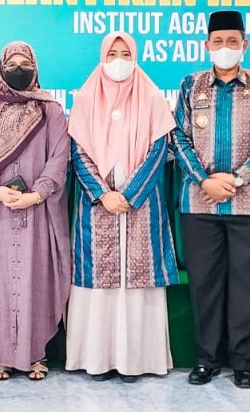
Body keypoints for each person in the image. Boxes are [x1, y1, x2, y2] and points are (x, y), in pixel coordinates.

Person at [171, 10, 250, 389]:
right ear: (207, 45)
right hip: (199, 203)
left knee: (246, 286)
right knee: (204, 285)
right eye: (218, 41)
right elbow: (178, 137)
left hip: (248, 204)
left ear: (244, 44)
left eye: (232, 41)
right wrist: (204, 180)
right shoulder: (191, 85)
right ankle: (206, 359)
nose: (225, 48)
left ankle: (242, 362)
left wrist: (236, 179)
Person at [65, 32, 178, 382]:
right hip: (97, 203)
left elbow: (159, 150)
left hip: (140, 203)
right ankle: (96, 359)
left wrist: (129, 194)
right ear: (102, 56)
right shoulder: (85, 98)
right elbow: (78, 151)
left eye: (125, 54)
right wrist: (103, 194)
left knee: (138, 282)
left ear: (135, 57)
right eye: (112, 53)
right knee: (98, 281)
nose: (118, 60)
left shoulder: (152, 97)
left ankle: (136, 361)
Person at [0, 42, 71, 381]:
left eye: (25, 63)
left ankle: (36, 355)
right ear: (1, 68)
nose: (19, 68)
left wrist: (36, 195)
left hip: (38, 209)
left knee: (36, 279)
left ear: (35, 68)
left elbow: (59, 157)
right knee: (0, 283)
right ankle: (2, 356)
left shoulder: (50, 110)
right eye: (12, 63)